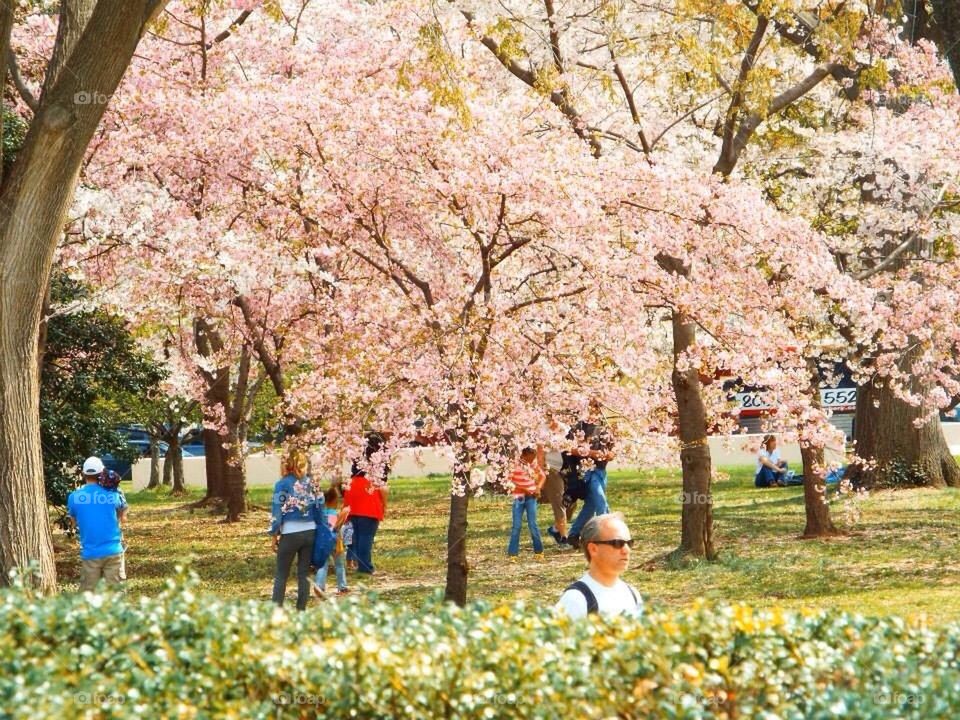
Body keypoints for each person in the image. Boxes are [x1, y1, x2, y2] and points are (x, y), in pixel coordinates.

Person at [555, 512, 642, 619]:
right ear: (593, 549)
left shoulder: (633, 594)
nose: (626, 550)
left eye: (629, 543)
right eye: (617, 543)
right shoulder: (576, 600)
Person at [269, 449, 321, 611]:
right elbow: (320, 507)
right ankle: (301, 609)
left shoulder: (282, 484)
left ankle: (276, 609)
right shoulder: (312, 484)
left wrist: (274, 534)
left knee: (281, 574)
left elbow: (277, 511)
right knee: (304, 574)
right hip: (310, 531)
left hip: (290, 533)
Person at [67, 456, 128, 591]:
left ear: (83, 474)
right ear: (102, 474)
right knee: (116, 596)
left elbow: (73, 522)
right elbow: (122, 514)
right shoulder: (113, 494)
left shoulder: (74, 497)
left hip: (90, 553)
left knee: (89, 597)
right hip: (114, 551)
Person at [564, 401, 617, 550]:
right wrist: (592, 453)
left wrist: (608, 455)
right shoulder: (578, 428)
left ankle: (574, 534)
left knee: (591, 505)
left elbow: (613, 450)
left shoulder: (605, 429)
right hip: (585, 470)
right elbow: (568, 448)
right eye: (592, 408)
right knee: (600, 501)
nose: (594, 411)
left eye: (597, 408)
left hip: (601, 470)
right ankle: (610, 535)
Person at [344, 433, 389, 575]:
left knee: (354, 534)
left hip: (352, 492)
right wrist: (384, 505)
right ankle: (365, 567)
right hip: (368, 499)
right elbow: (383, 488)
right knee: (366, 536)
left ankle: (354, 560)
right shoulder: (378, 469)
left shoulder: (357, 463)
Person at [507, 447, 546, 562]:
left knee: (533, 524)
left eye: (534, 458)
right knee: (516, 525)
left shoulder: (532, 463)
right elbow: (510, 481)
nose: (532, 460)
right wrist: (524, 489)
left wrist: (538, 487)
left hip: (531, 497)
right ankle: (513, 554)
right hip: (518, 497)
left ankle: (539, 552)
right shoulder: (514, 464)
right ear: (524, 455)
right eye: (531, 457)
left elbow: (542, 475)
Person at [314, 486, 351, 598]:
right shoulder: (334, 514)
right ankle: (342, 587)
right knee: (339, 565)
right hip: (335, 541)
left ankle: (319, 586)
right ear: (335, 500)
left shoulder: (320, 514)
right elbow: (336, 528)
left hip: (323, 542)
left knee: (323, 565)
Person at [542, 446, 573, 550]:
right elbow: (539, 450)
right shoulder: (543, 431)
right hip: (551, 469)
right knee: (560, 502)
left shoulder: (565, 430)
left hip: (565, 469)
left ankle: (556, 529)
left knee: (571, 501)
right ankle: (564, 537)